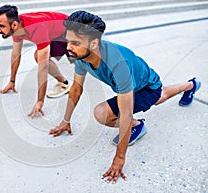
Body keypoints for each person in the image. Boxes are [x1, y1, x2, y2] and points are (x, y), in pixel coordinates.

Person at [49, 11, 201, 183]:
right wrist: (66, 120)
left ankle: (139, 126)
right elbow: (76, 89)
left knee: (102, 113)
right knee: (161, 95)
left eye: (75, 43)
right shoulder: (80, 56)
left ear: (93, 43)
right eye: (68, 40)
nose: (68, 47)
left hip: (147, 87)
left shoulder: (118, 64)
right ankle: (191, 85)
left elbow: (126, 114)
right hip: (142, 82)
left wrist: (119, 158)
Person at [0, 5, 71, 118]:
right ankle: (64, 84)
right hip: (56, 31)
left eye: (1, 26)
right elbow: (16, 54)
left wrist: (40, 101)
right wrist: (12, 81)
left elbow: (43, 67)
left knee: (86, 62)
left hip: (71, 31)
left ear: (14, 25)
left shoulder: (37, 28)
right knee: (38, 56)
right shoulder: (17, 27)